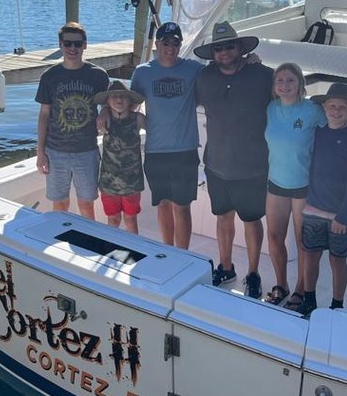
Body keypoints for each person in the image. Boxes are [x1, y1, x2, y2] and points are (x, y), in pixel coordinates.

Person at [194, 21, 274, 299]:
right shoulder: (203, 77)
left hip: (253, 166)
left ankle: (253, 272)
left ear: (240, 48)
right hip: (216, 164)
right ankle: (225, 266)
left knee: (252, 221)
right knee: (222, 217)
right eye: (219, 48)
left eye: (229, 46)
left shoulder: (264, 75)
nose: (224, 52)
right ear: (212, 53)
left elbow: (292, 101)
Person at [129, 22, 203, 248]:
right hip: (155, 150)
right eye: (166, 42)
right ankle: (167, 249)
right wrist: (104, 112)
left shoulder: (194, 69)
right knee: (162, 204)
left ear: (180, 45)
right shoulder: (142, 72)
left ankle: (183, 253)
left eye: (175, 43)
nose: (170, 47)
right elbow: (126, 104)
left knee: (182, 206)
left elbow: (224, 70)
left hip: (185, 150)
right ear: (157, 44)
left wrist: (250, 61)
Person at [299, 83, 347, 317]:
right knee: (310, 256)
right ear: (324, 108)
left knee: (338, 261)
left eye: (342, 107)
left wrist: (342, 216)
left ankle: (337, 305)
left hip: (341, 215)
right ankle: (309, 299)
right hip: (312, 208)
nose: (336, 111)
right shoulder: (314, 133)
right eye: (331, 106)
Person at [263, 63, 327, 309]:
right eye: (279, 80)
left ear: (300, 83)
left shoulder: (312, 110)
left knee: (302, 242)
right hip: (276, 183)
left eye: (290, 80)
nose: (285, 85)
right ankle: (282, 284)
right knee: (275, 236)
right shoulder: (270, 108)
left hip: (303, 186)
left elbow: (335, 126)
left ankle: (301, 288)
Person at [35, 21, 109, 218]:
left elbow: (108, 107)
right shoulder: (49, 76)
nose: (72, 48)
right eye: (68, 44)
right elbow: (44, 115)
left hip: (87, 151)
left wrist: (105, 112)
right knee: (59, 205)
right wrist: (40, 152)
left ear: (85, 45)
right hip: (55, 152)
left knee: (86, 205)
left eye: (77, 44)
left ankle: (88, 243)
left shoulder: (98, 75)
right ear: (60, 45)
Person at [94, 81, 146, 234]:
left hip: (132, 183)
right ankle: (112, 250)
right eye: (114, 97)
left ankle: (132, 252)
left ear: (130, 101)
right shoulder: (103, 120)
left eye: (123, 97)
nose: (119, 100)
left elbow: (158, 132)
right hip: (109, 183)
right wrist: (103, 112)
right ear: (107, 102)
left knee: (131, 220)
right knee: (113, 219)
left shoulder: (138, 119)